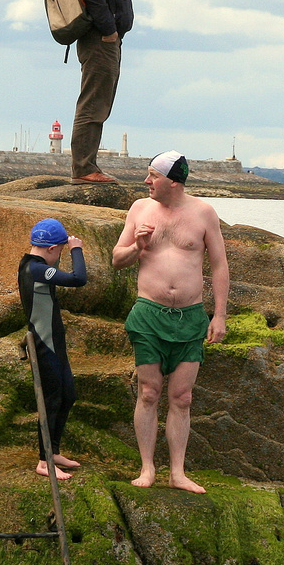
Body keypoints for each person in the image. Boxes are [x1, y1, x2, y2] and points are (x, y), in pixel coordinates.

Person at [111, 151, 228, 492]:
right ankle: (147, 468)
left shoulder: (204, 213)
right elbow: (117, 259)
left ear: (173, 182)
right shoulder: (139, 209)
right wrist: (137, 245)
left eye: (153, 175)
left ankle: (177, 472)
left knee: (182, 397)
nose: (146, 181)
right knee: (149, 392)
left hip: (190, 316)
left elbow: (219, 266)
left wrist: (219, 316)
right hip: (149, 313)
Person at [69, 0, 138, 185]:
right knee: (93, 103)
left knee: (100, 103)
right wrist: (109, 30)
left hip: (106, 41)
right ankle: (84, 168)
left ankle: (87, 165)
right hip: (99, 40)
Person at [18, 218, 88, 479]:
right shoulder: (34, 269)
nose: (59, 256)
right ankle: (44, 460)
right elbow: (79, 279)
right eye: (59, 251)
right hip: (43, 344)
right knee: (51, 400)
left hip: (55, 342)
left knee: (67, 394)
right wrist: (76, 249)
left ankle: (54, 451)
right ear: (52, 249)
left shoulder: (34, 265)